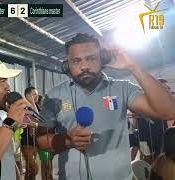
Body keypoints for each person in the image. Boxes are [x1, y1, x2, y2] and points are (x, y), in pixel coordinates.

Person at [36, 33, 175, 180]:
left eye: (91, 58)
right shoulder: (54, 95)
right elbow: (40, 140)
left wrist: (134, 67)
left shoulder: (123, 89)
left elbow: (168, 111)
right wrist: (67, 141)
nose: (84, 66)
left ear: (102, 59)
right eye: (76, 61)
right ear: (67, 65)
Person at [21, 87, 39, 180]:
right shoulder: (23, 107)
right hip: (26, 141)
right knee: (34, 169)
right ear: (27, 96)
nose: (36, 96)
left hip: (34, 142)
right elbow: (30, 121)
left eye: (37, 94)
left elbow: (39, 119)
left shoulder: (34, 106)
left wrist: (33, 103)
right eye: (34, 94)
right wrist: (35, 124)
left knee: (30, 170)